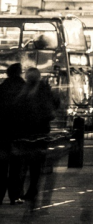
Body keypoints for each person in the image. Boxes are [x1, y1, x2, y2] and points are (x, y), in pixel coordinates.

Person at [12, 67, 59, 205]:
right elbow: (52, 107)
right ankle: (31, 190)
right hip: (38, 131)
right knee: (33, 164)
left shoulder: (26, 91)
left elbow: (19, 109)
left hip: (29, 132)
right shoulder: (43, 90)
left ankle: (26, 191)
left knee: (27, 164)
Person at [0, 63, 26, 204]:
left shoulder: (2, 88)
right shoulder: (24, 89)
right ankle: (15, 196)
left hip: (3, 134)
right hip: (19, 133)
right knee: (17, 167)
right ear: (20, 72)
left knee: (1, 167)